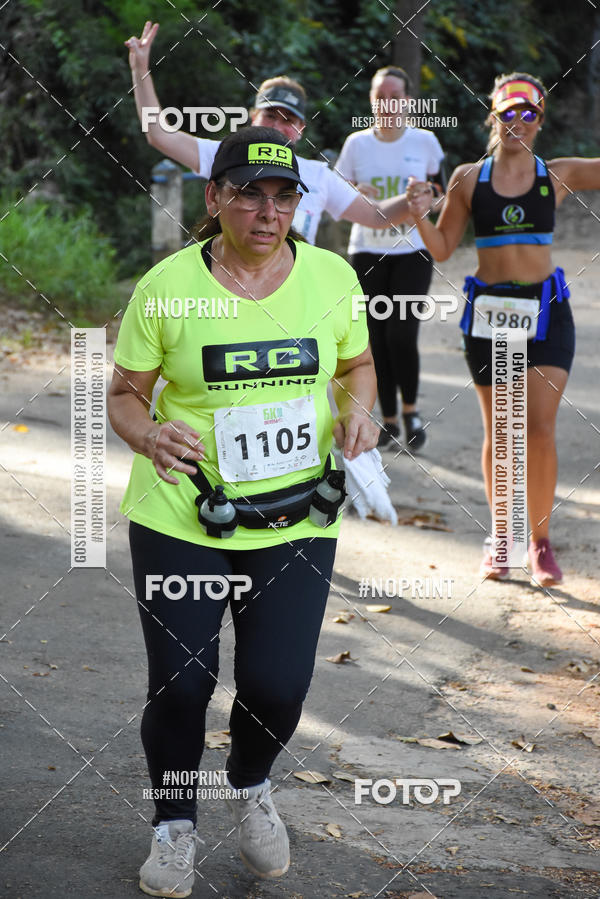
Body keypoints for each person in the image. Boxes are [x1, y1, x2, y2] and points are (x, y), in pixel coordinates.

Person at [107, 126, 378, 898]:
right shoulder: (166, 286)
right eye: (249, 193)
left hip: (297, 518)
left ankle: (251, 782)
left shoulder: (331, 277)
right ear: (215, 197)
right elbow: (124, 393)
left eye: (283, 195)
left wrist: (360, 412)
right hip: (182, 512)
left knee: (280, 684)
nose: (267, 210)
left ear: (300, 201)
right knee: (184, 681)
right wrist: (150, 432)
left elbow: (356, 364)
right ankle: (174, 825)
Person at [407, 72, 600, 586]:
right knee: (502, 433)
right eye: (508, 112)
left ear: (540, 119)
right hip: (490, 314)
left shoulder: (557, 174)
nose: (518, 122)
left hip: (545, 312)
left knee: (537, 430)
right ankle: (501, 536)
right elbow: (444, 247)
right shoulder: (469, 178)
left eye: (529, 113)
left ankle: (539, 543)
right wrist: (417, 215)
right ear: (494, 116)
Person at [125, 21, 421, 246]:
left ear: (300, 130)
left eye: (289, 119)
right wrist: (140, 69)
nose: (277, 127)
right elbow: (159, 133)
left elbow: (375, 216)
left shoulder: (317, 175)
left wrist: (418, 199)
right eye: (269, 115)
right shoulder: (226, 156)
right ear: (253, 117)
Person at [336, 66, 446, 452]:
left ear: (409, 101)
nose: (387, 103)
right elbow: (336, 192)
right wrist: (354, 188)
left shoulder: (426, 141)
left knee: (403, 332)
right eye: (380, 96)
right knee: (376, 338)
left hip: (413, 250)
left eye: (395, 95)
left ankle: (412, 411)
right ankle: (388, 420)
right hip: (367, 250)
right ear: (371, 100)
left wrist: (426, 196)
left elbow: (441, 191)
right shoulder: (356, 145)